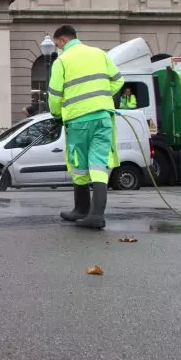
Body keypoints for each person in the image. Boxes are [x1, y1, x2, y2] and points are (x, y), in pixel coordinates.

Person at [47, 25, 125, 229]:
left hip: (78, 120)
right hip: (103, 117)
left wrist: (57, 114)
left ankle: (83, 209)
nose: (58, 49)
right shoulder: (99, 54)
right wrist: (102, 97)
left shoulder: (62, 61)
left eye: (57, 45)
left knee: (78, 164)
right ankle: (94, 214)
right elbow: (119, 80)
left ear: (63, 40)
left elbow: (54, 95)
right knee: (99, 164)